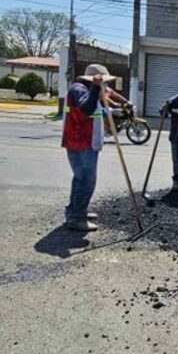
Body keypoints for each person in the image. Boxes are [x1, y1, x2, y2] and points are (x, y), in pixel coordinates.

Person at [61, 63, 116, 232]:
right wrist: (95, 87)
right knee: (85, 180)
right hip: (81, 142)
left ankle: (77, 210)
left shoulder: (85, 90)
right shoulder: (79, 90)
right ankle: (76, 217)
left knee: (81, 179)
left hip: (86, 142)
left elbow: (96, 109)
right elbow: (86, 109)